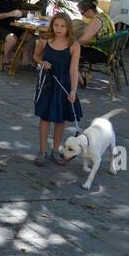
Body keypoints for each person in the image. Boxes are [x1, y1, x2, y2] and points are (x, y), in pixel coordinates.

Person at [32, 12, 82, 167]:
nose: (59, 29)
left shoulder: (74, 45)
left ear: (68, 27)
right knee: (45, 117)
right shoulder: (45, 40)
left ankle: (55, 150)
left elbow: (74, 70)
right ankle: (42, 151)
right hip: (47, 83)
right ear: (52, 25)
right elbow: (36, 56)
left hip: (64, 84)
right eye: (56, 25)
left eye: (63, 26)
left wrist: (73, 90)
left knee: (60, 119)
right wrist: (42, 63)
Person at [76, 0, 117, 67]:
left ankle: (75, 73)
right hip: (109, 51)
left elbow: (84, 40)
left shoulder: (97, 20)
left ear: (88, 11)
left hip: (101, 53)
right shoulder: (104, 15)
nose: (82, 15)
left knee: (70, 50)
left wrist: (70, 43)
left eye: (82, 13)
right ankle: (78, 72)